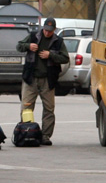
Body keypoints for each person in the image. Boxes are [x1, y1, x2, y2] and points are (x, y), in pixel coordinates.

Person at [16, 17, 69, 146]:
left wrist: (50, 55)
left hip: (48, 80)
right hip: (31, 79)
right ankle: (26, 132)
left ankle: (45, 136)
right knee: (27, 107)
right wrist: (28, 46)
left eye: (50, 31)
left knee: (49, 109)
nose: (47, 33)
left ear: (54, 30)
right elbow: (19, 46)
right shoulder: (33, 36)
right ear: (43, 28)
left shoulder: (58, 41)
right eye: (45, 30)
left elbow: (65, 58)